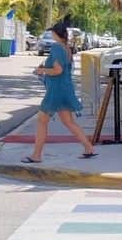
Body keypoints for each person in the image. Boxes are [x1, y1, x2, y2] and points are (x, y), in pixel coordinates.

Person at [24, 16, 96, 163]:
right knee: (69, 122)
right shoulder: (67, 48)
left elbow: (58, 70)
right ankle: (88, 148)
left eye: (52, 33)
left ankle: (36, 155)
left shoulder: (57, 47)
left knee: (42, 121)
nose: (51, 35)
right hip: (66, 88)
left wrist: (42, 70)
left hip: (56, 91)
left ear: (56, 34)